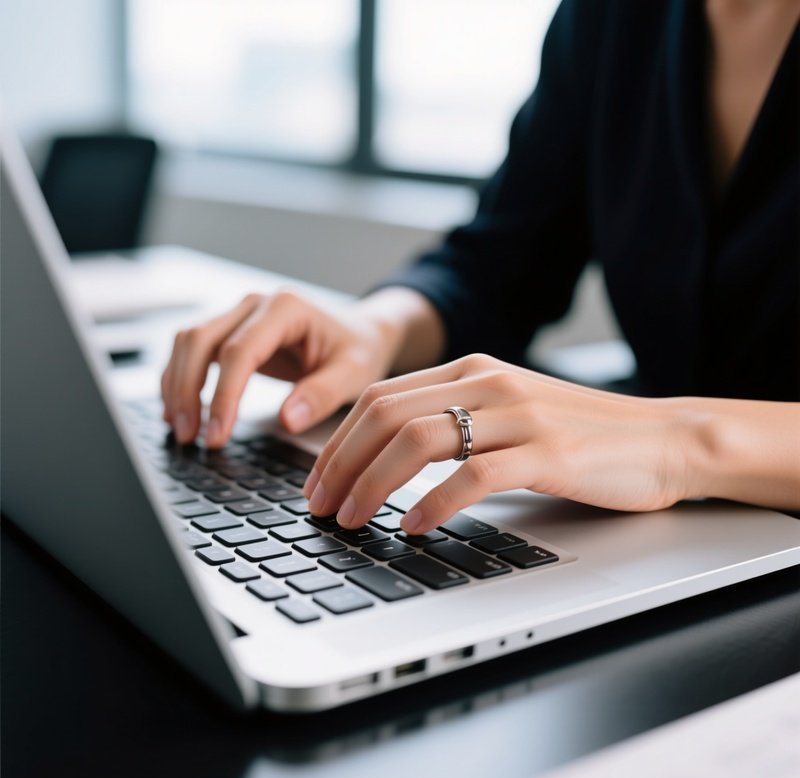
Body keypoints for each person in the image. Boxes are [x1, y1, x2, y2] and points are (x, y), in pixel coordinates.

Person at [161, 0, 800, 534]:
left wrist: (680, 440)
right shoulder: (612, 17)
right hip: (677, 541)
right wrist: (375, 330)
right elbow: (500, 263)